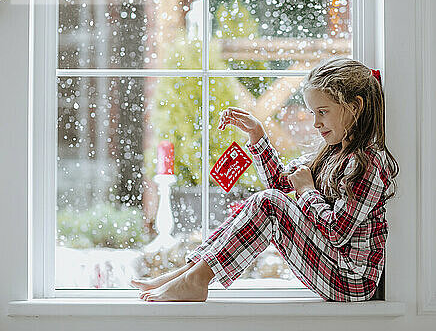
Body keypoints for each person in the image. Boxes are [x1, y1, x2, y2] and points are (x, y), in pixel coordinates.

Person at [130, 57, 400, 302]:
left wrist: (306, 191)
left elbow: (337, 232)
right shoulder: (334, 152)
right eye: (313, 113)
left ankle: (196, 279)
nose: (316, 122)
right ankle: (189, 273)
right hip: (331, 264)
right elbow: (282, 186)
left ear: (355, 107)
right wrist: (257, 136)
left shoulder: (369, 164)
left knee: (269, 203)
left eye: (323, 111)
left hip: (352, 279)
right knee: (269, 202)